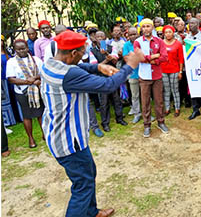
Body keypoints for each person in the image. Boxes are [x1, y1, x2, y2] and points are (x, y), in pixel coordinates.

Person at [41, 28, 143, 217]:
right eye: (81, 53)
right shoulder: (69, 75)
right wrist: (130, 65)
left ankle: (91, 212)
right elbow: (108, 85)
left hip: (61, 134)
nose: (83, 56)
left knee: (89, 173)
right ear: (73, 53)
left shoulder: (50, 63)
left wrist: (98, 67)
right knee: (83, 185)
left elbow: (77, 68)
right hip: (69, 140)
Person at [6, 37, 44, 148]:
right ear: (15, 50)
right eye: (18, 49)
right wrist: (27, 81)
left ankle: (44, 134)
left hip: (37, 90)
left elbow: (43, 73)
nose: (21, 51)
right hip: (22, 92)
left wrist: (35, 78)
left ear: (27, 48)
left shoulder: (36, 60)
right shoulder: (12, 62)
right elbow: (11, 79)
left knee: (41, 113)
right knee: (27, 115)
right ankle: (31, 139)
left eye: (23, 48)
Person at [134, 19, 169, 138]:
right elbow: (140, 58)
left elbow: (165, 57)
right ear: (141, 29)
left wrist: (150, 59)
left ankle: (161, 122)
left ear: (152, 28)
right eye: (143, 27)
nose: (146, 29)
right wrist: (154, 56)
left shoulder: (159, 41)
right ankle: (147, 125)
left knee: (159, 101)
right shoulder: (138, 42)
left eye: (148, 26)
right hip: (144, 76)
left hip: (157, 75)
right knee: (145, 102)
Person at [162, 24, 184, 115]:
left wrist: (180, 71)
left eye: (169, 32)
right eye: (166, 32)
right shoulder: (161, 43)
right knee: (166, 90)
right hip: (163, 70)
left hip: (174, 70)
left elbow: (181, 59)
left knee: (175, 89)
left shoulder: (178, 43)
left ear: (173, 33)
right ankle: (167, 108)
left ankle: (177, 107)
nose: (168, 34)